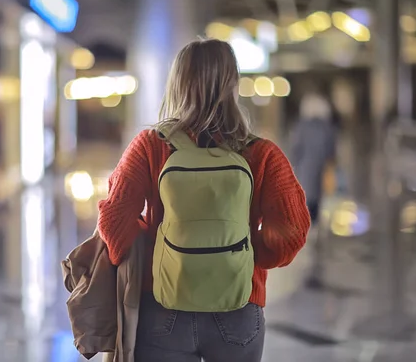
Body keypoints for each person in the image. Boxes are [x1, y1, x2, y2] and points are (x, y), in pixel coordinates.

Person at [97, 38, 310, 362]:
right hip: (239, 306)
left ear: (177, 84)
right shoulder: (262, 153)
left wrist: (157, 247)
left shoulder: (151, 146)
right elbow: (292, 230)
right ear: (233, 85)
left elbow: (113, 221)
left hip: (164, 305)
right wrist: (244, 250)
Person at [290, 94, 337, 223]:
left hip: (304, 168)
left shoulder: (301, 127)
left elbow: (296, 149)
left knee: (306, 196)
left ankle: (306, 224)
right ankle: (316, 225)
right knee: (319, 198)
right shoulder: (327, 127)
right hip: (322, 168)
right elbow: (331, 151)